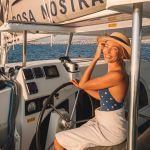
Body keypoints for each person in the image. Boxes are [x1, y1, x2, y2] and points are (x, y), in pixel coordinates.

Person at [54, 32, 131, 150]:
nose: (107, 51)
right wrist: (82, 87)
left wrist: (95, 58)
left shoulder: (116, 75)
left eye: (114, 49)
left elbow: (84, 83)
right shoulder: (118, 71)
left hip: (110, 130)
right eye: (106, 46)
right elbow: (104, 98)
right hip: (108, 123)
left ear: (122, 54)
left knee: (58, 140)